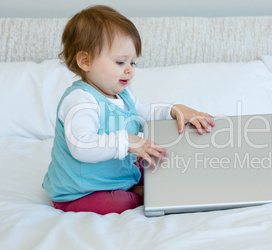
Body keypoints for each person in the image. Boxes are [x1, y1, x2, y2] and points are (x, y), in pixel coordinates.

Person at [42, 5, 214, 215]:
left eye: (133, 62)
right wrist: (129, 141)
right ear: (85, 61)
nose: (130, 69)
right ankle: (142, 193)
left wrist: (173, 110)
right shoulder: (80, 100)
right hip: (81, 190)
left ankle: (155, 183)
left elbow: (142, 114)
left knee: (156, 158)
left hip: (115, 172)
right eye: (120, 61)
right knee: (119, 204)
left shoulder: (122, 94)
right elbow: (81, 145)